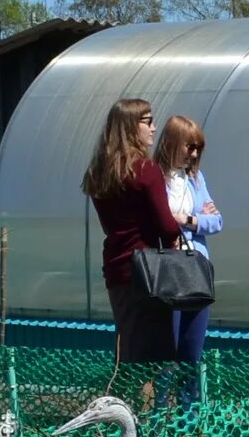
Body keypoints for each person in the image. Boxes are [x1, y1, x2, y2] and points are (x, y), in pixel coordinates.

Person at [84, 97, 186, 362]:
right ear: (131, 126)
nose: (153, 128)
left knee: (127, 346)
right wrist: (182, 225)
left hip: (117, 268)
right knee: (151, 356)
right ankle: (138, 403)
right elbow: (167, 227)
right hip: (148, 273)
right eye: (148, 121)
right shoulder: (145, 170)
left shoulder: (100, 172)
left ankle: (123, 401)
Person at [156, 115, 222, 370]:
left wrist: (187, 219)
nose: (194, 155)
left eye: (198, 148)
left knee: (191, 352)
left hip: (196, 270)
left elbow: (217, 221)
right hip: (167, 271)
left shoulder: (196, 179)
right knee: (165, 353)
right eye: (189, 146)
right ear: (173, 142)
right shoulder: (156, 178)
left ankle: (189, 409)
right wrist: (199, 217)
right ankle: (160, 408)